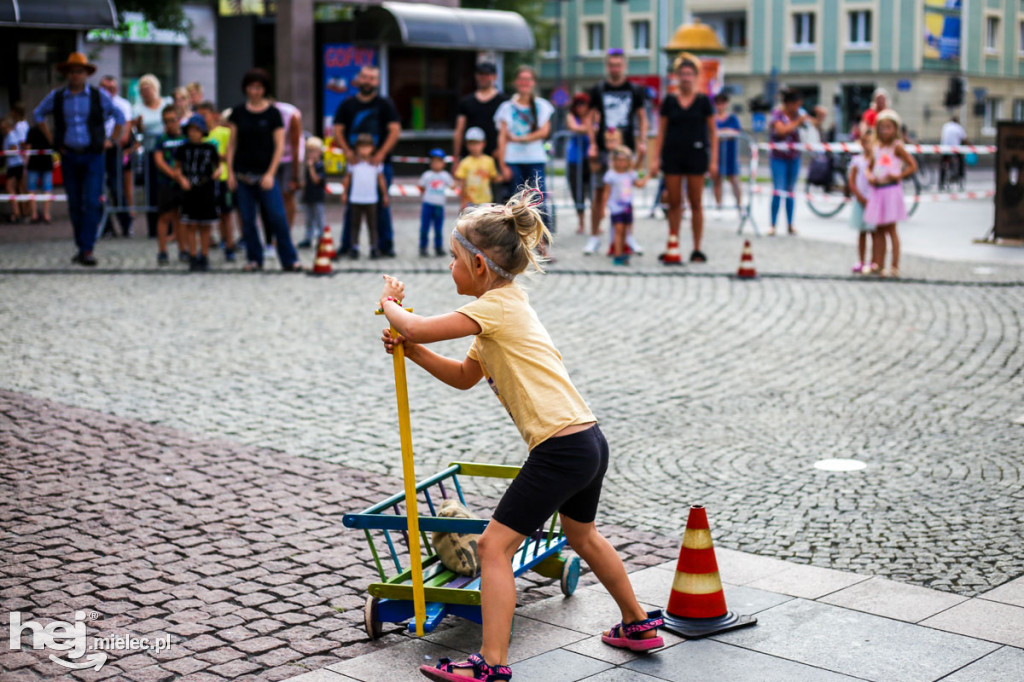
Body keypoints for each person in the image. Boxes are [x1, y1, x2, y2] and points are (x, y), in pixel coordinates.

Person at [377, 188, 664, 682]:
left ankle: (490, 663)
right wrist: (409, 350)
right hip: (587, 440)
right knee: (582, 534)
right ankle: (637, 624)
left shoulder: (497, 309)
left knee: (493, 548)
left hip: (560, 446)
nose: (450, 268)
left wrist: (390, 307)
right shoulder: (502, 312)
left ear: (480, 267)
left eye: (453, 259)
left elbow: (420, 326)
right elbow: (464, 376)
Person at [33, 52, 125, 266]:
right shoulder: (57, 97)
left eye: (79, 71)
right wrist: (52, 140)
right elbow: (38, 114)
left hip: (93, 155)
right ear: (67, 74)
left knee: (92, 201)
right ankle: (81, 244)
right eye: (72, 72)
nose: (75, 75)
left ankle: (87, 248)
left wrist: (111, 140)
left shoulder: (97, 96)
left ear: (86, 74)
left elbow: (119, 116)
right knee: (74, 203)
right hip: (69, 154)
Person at [226, 68, 303, 272]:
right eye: (251, 87)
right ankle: (254, 259)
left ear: (264, 89)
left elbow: (279, 145)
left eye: (259, 87)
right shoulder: (238, 112)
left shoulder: (273, 113)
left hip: (265, 175)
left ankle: (289, 259)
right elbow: (231, 144)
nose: (255, 91)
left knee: (277, 216)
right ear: (246, 89)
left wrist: (270, 173)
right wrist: (230, 172)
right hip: (243, 174)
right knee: (247, 220)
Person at [649, 54, 716, 263]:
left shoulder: (704, 101)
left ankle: (697, 248)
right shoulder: (669, 101)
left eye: (690, 74)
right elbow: (661, 132)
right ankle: (673, 244)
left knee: (696, 203)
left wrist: (714, 161)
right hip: (673, 156)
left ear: (696, 77)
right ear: (677, 77)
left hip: (696, 155)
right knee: (674, 203)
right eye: (682, 74)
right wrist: (655, 158)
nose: (686, 78)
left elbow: (714, 133)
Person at [332, 65, 401, 257]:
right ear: (358, 79)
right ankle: (348, 245)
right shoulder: (348, 105)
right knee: (352, 209)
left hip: (380, 166)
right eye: (364, 77)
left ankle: (384, 246)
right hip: (355, 165)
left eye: (372, 78)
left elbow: (394, 130)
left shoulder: (385, 104)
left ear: (377, 82)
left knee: (381, 208)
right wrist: (348, 152)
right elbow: (337, 130)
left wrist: (381, 153)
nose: (368, 81)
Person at [586, 49, 648, 254]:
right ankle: (594, 236)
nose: (615, 68)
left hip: (625, 148)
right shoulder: (599, 89)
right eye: (612, 65)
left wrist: (642, 141)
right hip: (604, 148)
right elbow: (590, 117)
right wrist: (592, 143)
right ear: (607, 66)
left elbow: (642, 117)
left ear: (624, 66)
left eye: (618, 65)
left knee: (626, 195)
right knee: (598, 194)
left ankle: (628, 236)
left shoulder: (634, 90)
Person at [494, 65, 554, 248]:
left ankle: (542, 243)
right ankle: (519, 243)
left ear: (533, 83)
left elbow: (544, 131)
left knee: (539, 201)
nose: (524, 83)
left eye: (528, 79)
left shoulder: (542, 106)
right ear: (515, 82)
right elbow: (502, 137)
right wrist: (502, 164)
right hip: (513, 160)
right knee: (516, 201)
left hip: (535, 158)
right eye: (521, 79)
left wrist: (521, 138)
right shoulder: (506, 107)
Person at [864, 109, 917, 279]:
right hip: (878, 191)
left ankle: (894, 265)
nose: (884, 131)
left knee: (891, 229)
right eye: (882, 127)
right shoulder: (876, 147)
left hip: (891, 190)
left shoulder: (897, 147)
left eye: (888, 127)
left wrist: (899, 175)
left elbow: (912, 165)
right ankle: (878, 263)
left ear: (895, 129)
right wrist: (870, 176)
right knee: (878, 230)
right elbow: (869, 167)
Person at [175, 114, 220, 271]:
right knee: (191, 223)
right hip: (189, 189)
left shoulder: (210, 148)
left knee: (205, 224)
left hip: (206, 188)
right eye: (191, 130)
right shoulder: (183, 148)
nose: (193, 133)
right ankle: (193, 255)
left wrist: (218, 172)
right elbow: (177, 167)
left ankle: (205, 255)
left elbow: (219, 164)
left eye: (197, 130)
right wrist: (181, 179)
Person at [196, 101, 236, 260]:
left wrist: (213, 156)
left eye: (204, 115)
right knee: (206, 216)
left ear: (214, 115)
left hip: (223, 177)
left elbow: (229, 155)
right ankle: (205, 248)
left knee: (226, 214)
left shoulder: (223, 133)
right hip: (205, 180)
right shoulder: (199, 135)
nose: (201, 118)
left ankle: (229, 245)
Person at [767, 88, 809, 236]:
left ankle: (790, 224)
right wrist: (798, 122)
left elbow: (812, 124)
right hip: (778, 158)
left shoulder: (799, 114)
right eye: (796, 104)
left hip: (793, 157)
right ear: (789, 103)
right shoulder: (777, 114)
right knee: (778, 190)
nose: (798, 107)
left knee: (791, 191)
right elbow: (781, 131)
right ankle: (772, 224)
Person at [134, 74, 171, 238]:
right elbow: (138, 132)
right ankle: (153, 229)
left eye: (148, 89)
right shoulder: (137, 107)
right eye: (142, 90)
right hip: (150, 152)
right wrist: (140, 125)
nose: (146, 93)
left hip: (169, 152)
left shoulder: (167, 103)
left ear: (156, 89)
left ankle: (171, 227)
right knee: (152, 190)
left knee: (168, 188)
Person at [99, 75, 136, 238]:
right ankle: (107, 227)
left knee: (116, 187)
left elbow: (125, 126)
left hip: (113, 148)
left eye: (111, 88)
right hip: (98, 149)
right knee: (98, 189)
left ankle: (126, 224)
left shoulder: (122, 104)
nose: (108, 91)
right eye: (105, 88)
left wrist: (112, 140)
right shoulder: (96, 102)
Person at [341, 133, 388, 259]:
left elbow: (381, 179)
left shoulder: (376, 163)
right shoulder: (353, 163)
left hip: (371, 199)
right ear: (357, 148)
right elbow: (347, 178)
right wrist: (344, 192)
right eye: (361, 147)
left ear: (372, 148)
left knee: (372, 225)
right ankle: (354, 247)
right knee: (355, 225)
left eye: (367, 147)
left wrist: (384, 194)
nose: (364, 150)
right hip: (356, 199)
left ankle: (374, 247)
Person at [454, 62, 508, 161]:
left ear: (494, 76)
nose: (483, 77)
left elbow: (508, 130)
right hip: (470, 157)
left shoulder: (504, 101)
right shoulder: (466, 101)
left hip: (495, 156)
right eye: (480, 74)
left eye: (487, 74)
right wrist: (456, 158)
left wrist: (502, 150)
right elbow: (459, 130)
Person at [153, 105, 186, 265]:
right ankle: (162, 251)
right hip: (166, 182)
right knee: (165, 216)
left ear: (179, 120)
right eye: (166, 121)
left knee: (181, 217)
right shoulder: (161, 139)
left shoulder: (186, 137)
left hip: (183, 183)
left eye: (172, 120)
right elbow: (159, 160)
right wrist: (174, 174)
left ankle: (183, 249)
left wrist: (182, 176)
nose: (169, 124)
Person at [602, 147, 646, 266]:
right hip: (616, 208)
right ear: (614, 161)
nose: (621, 163)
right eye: (618, 160)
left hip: (627, 207)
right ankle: (617, 254)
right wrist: (603, 207)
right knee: (618, 230)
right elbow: (606, 192)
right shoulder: (611, 175)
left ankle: (622, 251)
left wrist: (649, 175)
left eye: (624, 160)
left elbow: (639, 183)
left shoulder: (630, 174)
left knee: (626, 231)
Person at [273, 99, 303, 241]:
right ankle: (274, 233)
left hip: (290, 158)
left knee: (288, 194)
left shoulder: (290, 114)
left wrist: (295, 176)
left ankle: (287, 232)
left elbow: (296, 145)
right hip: (272, 158)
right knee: (273, 196)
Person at [847, 129, 876, 274]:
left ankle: (874, 261)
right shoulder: (857, 161)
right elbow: (852, 181)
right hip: (861, 201)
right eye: (865, 142)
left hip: (874, 201)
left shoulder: (877, 160)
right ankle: (862, 260)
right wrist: (859, 197)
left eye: (870, 142)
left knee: (875, 233)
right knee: (862, 232)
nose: (868, 145)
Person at [417, 149, 455, 257]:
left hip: (439, 205)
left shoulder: (445, 176)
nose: (436, 164)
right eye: (434, 161)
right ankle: (423, 247)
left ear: (443, 163)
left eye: (438, 161)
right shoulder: (427, 175)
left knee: (438, 228)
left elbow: (452, 186)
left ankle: (438, 247)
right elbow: (421, 186)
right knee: (425, 227)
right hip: (428, 204)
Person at [565, 93, 592, 235]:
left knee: (593, 191)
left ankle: (595, 222)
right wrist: (590, 128)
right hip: (575, 159)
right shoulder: (571, 116)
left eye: (583, 104)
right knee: (577, 192)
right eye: (578, 104)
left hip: (591, 158)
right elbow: (574, 127)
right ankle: (581, 222)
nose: (581, 107)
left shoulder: (593, 115)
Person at [455, 127, 499, 211]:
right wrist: (463, 201)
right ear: (467, 145)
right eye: (471, 143)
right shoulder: (464, 162)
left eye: (477, 143)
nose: (474, 146)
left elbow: (494, 178)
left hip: (486, 201)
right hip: (470, 202)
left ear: (483, 143)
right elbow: (462, 183)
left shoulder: (489, 161)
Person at [712, 92, 742, 214]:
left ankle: (739, 206)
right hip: (717, 153)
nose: (720, 105)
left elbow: (736, 132)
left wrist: (722, 132)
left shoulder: (732, 118)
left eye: (722, 103)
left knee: (734, 179)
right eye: (718, 103)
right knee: (717, 179)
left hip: (730, 153)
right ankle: (718, 205)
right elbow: (712, 134)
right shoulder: (712, 118)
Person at [299, 136, 326, 248]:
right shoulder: (309, 165)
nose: (311, 154)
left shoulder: (320, 166)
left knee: (319, 218)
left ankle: (321, 238)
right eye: (309, 151)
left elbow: (316, 180)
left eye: (313, 151)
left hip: (318, 197)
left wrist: (311, 168)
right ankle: (308, 238)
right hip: (309, 196)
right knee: (308, 218)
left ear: (319, 152)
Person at [24, 123, 53, 224]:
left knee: (32, 189)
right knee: (47, 189)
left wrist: (25, 162)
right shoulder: (48, 130)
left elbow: (28, 146)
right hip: (46, 162)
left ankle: (34, 214)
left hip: (34, 163)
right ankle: (46, 214)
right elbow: (53, 143)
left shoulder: (32, 130)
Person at [3, 117, 25, 223]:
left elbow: (14, 149)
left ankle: (16, 213)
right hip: (16, 164)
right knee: (18, 188)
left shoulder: (11, 135)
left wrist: (5, 153)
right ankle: (21, 212)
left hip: (14, 165)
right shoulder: (11, 135)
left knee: (9, 187)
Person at [939, 114, 967, 190]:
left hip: (945, 149)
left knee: (943, 164)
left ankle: (941, 182)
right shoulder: (958, 127)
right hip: (955, 149)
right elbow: (964, 139)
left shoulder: (946, 126)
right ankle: (961, 178)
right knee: (961, 161)